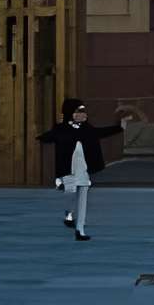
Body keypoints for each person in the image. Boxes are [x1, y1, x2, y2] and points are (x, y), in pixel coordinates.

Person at [38, 95, 118, 240]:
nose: (83, 114)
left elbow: (101, 132)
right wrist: (40, 137)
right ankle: (69, 213)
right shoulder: (61, 128)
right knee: (70, 192)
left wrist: (119, 127)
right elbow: (49, 136)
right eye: (78, 111)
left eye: (83, 111)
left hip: (83, 169)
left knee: (82, 198)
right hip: (68, 169)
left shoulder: (87, 128)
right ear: (70, 113)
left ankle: (80, 230)